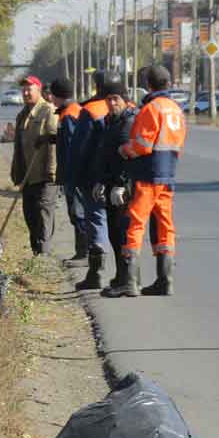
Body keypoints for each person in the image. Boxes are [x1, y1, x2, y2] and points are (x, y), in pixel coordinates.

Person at [107, 65, 187, 297]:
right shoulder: (176, 109)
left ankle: (130, 282)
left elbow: (142, 144)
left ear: (148, 85)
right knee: (165, 226)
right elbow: (178, 143)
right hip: (168, 174)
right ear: (169, 83)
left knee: (134, 223)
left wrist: (124, 150)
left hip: (147, 175)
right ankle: (165, 281)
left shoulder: (151, 109)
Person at [89, 79, 139, 297]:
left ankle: (129, 280)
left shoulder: (129, 123)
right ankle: (121, 278)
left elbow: (129, 158)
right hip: (110, 185)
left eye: (115, 99)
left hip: (123, 188)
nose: (111, 103)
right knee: (114, 233)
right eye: (108, 99)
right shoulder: (110, 121)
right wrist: (100, 180)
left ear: (125, 101)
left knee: (123, 234)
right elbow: (105, 155)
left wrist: (121, 184)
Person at [71, 71, 119, 289]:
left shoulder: (90, 110)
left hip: (94, 176)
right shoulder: (127, 106)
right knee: (120, 225)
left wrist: (74, 177)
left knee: (97, 219)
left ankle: (97, 273)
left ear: (98, 87)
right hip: (120, 177)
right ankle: (125, 275)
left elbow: (79, 148)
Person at [11, 75, 59, 255]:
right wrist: (16, 172)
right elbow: (18, 147)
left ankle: (44, 256)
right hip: (27, 176)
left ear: (38, 90)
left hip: (45, 175)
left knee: (43, 216)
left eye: (29, 88)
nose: (25, 92)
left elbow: (54, 144)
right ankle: (35, 252)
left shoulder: (49, 111)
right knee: (30, 215)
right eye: (23, 89)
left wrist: (52, 172)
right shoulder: (22, 115)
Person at [49, 77, 86, 267]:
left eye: (52, 95)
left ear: (59, 96)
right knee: (76, 212)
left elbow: (73, 146)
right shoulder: (71, 111)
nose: (50, 98)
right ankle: (83, 252)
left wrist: (68, 174)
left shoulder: (70, 115)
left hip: (75, 175)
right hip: (72, 173)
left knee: (78, 213)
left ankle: (84, 253)